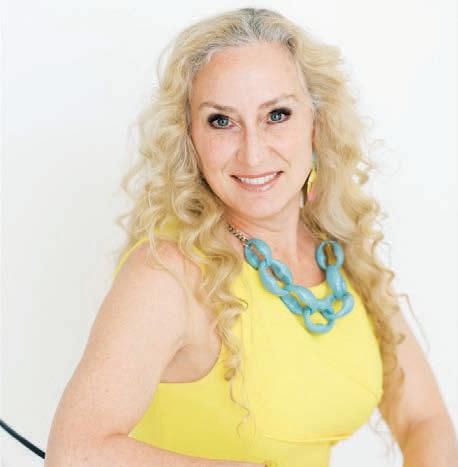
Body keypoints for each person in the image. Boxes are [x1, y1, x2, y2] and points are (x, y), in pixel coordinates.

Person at [44, 7, 457, 467]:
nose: (253, 153)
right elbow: (74, 453)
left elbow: (424, 420)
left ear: (316, 124)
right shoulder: (167, 273)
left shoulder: (340, 254)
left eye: (277, 114)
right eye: (221, 121)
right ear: (189, 136)